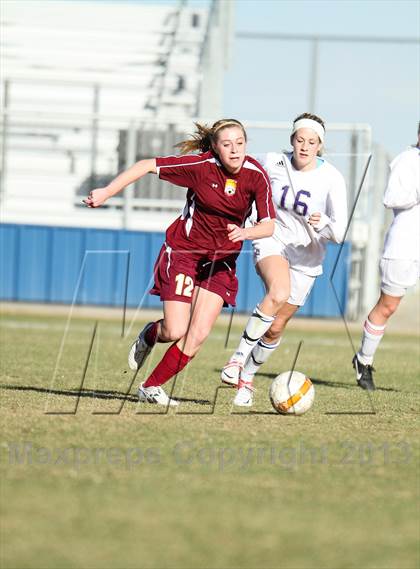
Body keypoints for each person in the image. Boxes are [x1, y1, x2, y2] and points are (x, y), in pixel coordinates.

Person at [84, 119, 275, 406]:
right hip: (184, 253)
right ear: (215, 147)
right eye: (226, 144)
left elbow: (269, 225)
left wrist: (245, 232)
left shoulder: (256, 176)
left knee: (197, 334)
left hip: (220, 261)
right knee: (175, 330)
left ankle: (151, 387)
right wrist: (107, 192)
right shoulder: (200, 166)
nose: (234, 150)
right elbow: (147, 164)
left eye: (239, 143)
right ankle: (150, 334)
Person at [220, 112, 348, 406]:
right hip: (271, 238)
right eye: (300, 140)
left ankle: (247, 379)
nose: (305, 146)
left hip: (307, 256)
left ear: (320, 146)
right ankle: (237, 360)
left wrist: (325, 222)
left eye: (312, 142)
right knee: (278, 291)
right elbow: (237, 166)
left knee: (276, 327)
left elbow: (340, 233)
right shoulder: (272, 162)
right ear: (292, 140)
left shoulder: (332, 178)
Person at [353, 125, 420, 390]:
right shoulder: (407, 160)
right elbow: (390, 198)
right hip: (405, 245)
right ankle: (363, 361)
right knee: (388, 306)